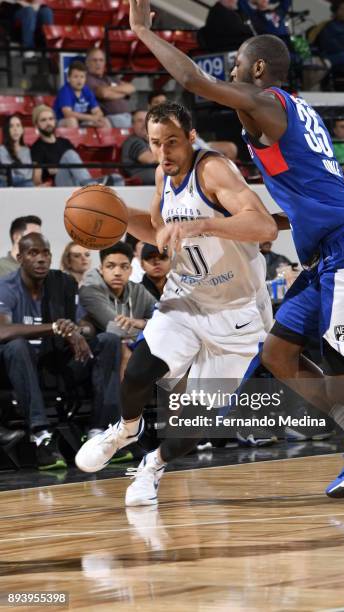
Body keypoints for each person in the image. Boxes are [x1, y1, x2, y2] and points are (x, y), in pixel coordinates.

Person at [121, 0, 344, 500]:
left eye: (233, 66)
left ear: (256, 69)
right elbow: (308, 191)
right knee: (277, 353)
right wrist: (274, 220)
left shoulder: (266, 102)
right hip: (326, 254)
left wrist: (143, 33)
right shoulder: (290, 112)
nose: (228, 75)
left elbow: (190, 80)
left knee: (343, 376)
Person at [75, 101, 277, 506]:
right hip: (186, 294)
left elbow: (264, 225)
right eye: (155, 144)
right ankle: (126, 429)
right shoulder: (161, 174)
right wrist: (111, 216)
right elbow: (155, 230)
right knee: (139, 372)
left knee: (193, 420)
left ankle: (152, 465)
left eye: (171, 143)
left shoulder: (214, 170)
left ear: (190, 137)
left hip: (237, 310)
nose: (164, 153)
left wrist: (202, 223)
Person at [0, 232, 124, 467]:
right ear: (19, 258)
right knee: (17, 346)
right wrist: (55, 327)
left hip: (55, 363)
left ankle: (100, 432)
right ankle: (41, 436)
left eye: (45, 253)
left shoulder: (62, 283)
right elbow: (2, 331)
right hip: (19, 367)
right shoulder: (6, 287)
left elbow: (85, 323)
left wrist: (78, 331)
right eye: (33, 253)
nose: (41, 259)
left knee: (108, 341)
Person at [79, 241, 156, 385]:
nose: (117, 272)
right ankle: (121, 406)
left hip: (133, 347)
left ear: (131, 270)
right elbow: (115, 328)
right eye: (110, 266)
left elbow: (165, 320)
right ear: (101, 269)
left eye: (124, 267)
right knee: (121, 346)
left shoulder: (138, 291)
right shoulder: (90, 291)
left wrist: (143, 323)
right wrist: (149, 329)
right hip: (94, 355)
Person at [31, 105, 123, 187]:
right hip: (59, 184)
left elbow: (78, 168)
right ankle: (91, 187)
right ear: (36, 124)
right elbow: (36, 179)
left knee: (117, 179)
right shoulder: (37, 148)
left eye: (51, 119)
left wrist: (57, 168)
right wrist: (48, 173)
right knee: (69, 154)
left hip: (76, 182)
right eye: (43, 120)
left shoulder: (65, 142)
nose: (48, 123)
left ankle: (91, 186)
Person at [148, 91, 238, 161]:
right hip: (180, 146)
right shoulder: (148, 121)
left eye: (163, 102)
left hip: (195, 142)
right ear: (149, 106)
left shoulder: (173, 116)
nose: (160, 105)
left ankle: (227, 174)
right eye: (157, 102)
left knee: (230, 148)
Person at [86, 48, 135, 128]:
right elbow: (103, 93)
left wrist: (109, 89)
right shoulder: (87, 79)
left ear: (104, 63)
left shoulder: (111, 78)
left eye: (101, 60)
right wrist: (123, 93)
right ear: (87, 63)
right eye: (94, 60)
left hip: (127, 117)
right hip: (109, 119)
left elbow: (131, 88)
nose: (98, 63)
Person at [53, 60, 110, 129]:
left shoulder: (86, 90)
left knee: (104, 121)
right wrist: (91, 118)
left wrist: (96, 117)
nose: (79, 80)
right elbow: (68, 114)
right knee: (72, 121)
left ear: (85, 79)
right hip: (60, 121)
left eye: (82, 77)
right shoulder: (65, 91)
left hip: (81, 121)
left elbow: (98, 111)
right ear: (68, 78)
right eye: (76, 77)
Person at [121, 109, 157, 184]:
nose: (144, 124)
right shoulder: (134, 141)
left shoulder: (149, 141)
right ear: (133, 125)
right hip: (144, 183)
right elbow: (149, 159)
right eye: (140, 121)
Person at [0, 115, 34, 187]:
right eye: (11, 126)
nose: (15, 129)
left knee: (29, 184)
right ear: (7, 130)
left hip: (24, 184)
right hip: (6, 183)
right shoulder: (2, 149)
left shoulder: (26, 150)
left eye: (18, 125)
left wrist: (17, 172)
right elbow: (9, 172)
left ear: (22, 130)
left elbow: (27, 174)